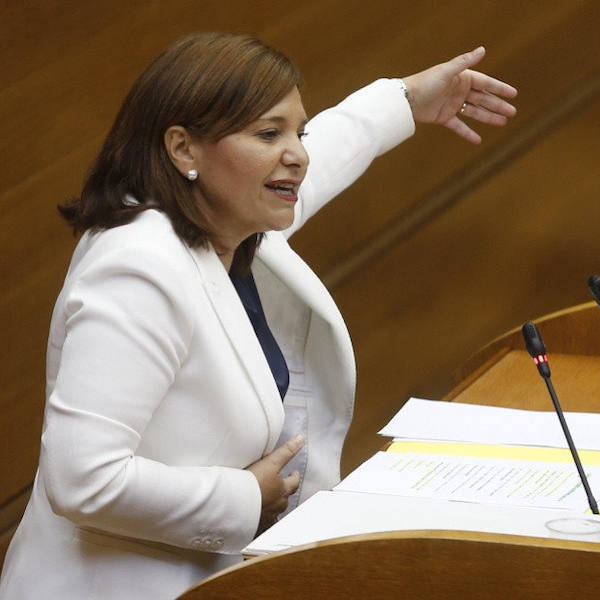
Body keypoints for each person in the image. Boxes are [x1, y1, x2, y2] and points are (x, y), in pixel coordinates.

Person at [0, 32, 517, 599]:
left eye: (297, 131)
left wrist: (407, 99)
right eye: (270, 133)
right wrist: (247, 499)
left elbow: (318, 158)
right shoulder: (137, 270)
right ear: (184, 151)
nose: (297, 152)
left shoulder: (230, 221)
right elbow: (82, 480)